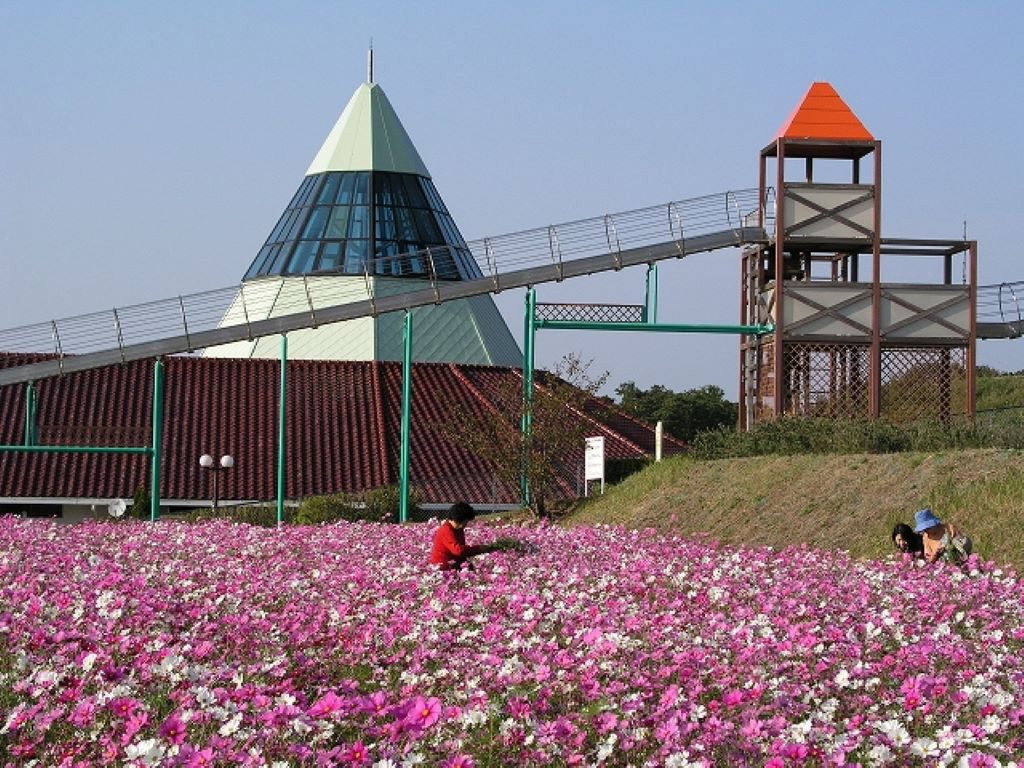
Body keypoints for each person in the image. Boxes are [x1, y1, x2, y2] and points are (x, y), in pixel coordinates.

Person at [430, 502, 481, 571]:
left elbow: (461, 551)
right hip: (443, 567)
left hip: (453, 563)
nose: (466, 524)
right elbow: (458, 550)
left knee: (469, 567)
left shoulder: (458, 529)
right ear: (459, 519)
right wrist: (479, 549)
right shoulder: (446, 530)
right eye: (466, 522)